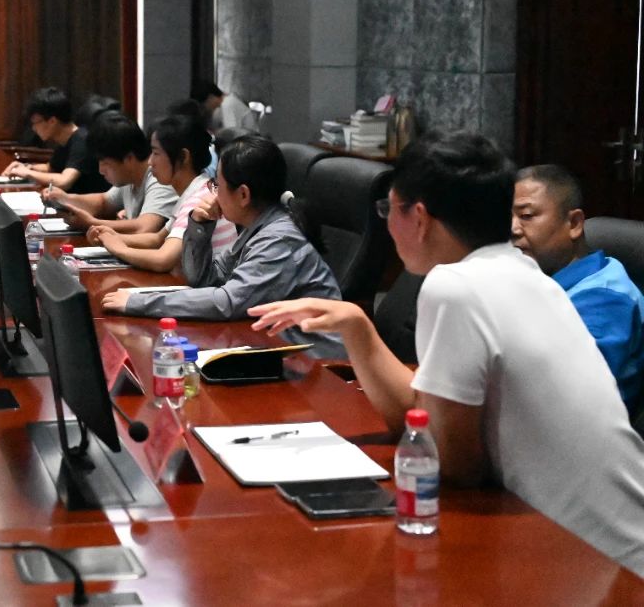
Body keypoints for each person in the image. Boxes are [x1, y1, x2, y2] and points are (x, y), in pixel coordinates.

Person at [250, 131, 644, 577]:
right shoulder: (522, 272)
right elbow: (421, 419)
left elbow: (456, 465)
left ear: (418, 217)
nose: (388, 225)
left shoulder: (455, 286)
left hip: (590, 559)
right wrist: (357, 327)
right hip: (610, 539)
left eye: (388, 210)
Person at [102, 135, 344, 356]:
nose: (213, 195)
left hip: (319, 361)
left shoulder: (279, 239)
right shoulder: (256, 227)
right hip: (280, 346)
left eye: (217, 185)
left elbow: (226, 302)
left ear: (243, 195)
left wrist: (138, 303)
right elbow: (204, 279)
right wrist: (200, 226)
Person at [512, 164, 644, 407]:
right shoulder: (537, 278)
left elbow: (570, 397)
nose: (513, 229)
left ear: (574, 223)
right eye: (507, 217)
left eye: (526, 216)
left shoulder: (604, 300)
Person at [85, 112, 236, 273]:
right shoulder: (196, 189)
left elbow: (163, 260)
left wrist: (118, 248)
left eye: (156, 153)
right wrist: (111, 237)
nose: (150, 162)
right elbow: (158, 239)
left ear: (183, 157)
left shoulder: (200, 199)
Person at [41, 112, 178, 234]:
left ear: (129, 158)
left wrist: (92, 223)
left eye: (105, 163)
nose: (101, 170)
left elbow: (145, 227)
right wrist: (64, 198)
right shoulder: (129, 177)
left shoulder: (160, 179)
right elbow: (103, 203)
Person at [1, 87, 109, 195]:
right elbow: (50, 167)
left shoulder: (82, 140)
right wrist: (27, 167)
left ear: (52, 121)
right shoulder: (64, 139)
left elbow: (64, 181)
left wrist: (27, 173)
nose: (33, 128)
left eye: (35, 123)